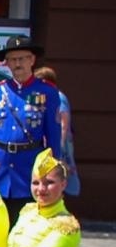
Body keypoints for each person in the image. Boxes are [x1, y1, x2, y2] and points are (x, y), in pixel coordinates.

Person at [0, 36, 62, 216]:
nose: (17, 64)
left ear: (32, 60)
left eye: (22, 59)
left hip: (29, 166)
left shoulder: (47, 91)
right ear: (6, 63)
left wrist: (52, 170)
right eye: (12, 59)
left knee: (27, 218)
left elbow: (53, 135)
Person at [34, 67, 78, 196]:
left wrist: (59, 148)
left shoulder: (58, 97)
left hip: (60, 146)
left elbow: (63, 123)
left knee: (57, 177)